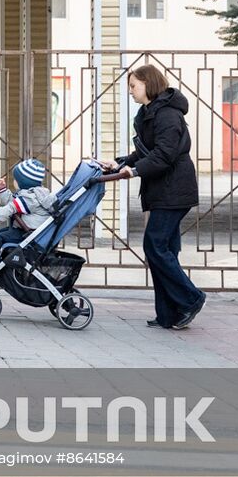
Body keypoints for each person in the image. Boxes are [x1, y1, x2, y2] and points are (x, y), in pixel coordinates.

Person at [99, 65, 205, 330]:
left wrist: (134, 171)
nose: (131, 91)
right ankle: (169, 314)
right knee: (165, 250)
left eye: (134, 86)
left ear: (148, 84)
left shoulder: (167, 114)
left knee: (154, 247)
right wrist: (119, 162)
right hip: (161, 190)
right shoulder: (148, 112)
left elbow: (165, 154)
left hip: (174, 190)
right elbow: (146, 151)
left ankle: (191, 298)